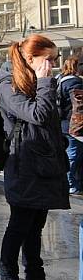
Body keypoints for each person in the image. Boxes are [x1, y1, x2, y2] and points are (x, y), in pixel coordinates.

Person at [0, 35, 70, 280]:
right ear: (30, 59)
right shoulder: (8, 85)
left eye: (54, 59)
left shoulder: (35, 82)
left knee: (36, 225)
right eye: (48, 59)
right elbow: (36, 114)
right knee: (19, 224)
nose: (52, 64)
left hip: (43, 163)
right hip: (24, 163)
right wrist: (46, 82)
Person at [56, 54, 83, 194]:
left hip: (62, 124)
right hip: (73, 126)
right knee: (73, 155)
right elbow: (79, 106)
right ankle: (71, 184)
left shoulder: (59, 79)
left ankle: (70, 183)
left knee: (69, 154)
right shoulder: (75, 83)